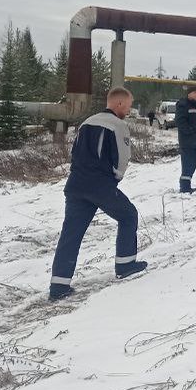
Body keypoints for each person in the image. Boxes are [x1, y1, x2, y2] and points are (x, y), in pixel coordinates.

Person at [49, 87, 147, 301]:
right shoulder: (118, 125)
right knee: (128, 215)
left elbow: (74, 151)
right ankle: (126, 264)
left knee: (71, 233)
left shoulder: (87, 122)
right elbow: (122, 157)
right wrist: (115, 178)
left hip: (75, 183)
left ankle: (58, 285)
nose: (129, 109)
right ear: (119, 104)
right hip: (100, 184)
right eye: (129, 104)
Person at [174, 87, 196, 193]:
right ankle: (184, 187)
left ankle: (187, 186)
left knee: (192, 164)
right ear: (189, 94)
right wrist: (191, 131)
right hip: (187, 141)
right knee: (188, 164)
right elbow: (180, 122)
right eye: (195, 92)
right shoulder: (183, 105)